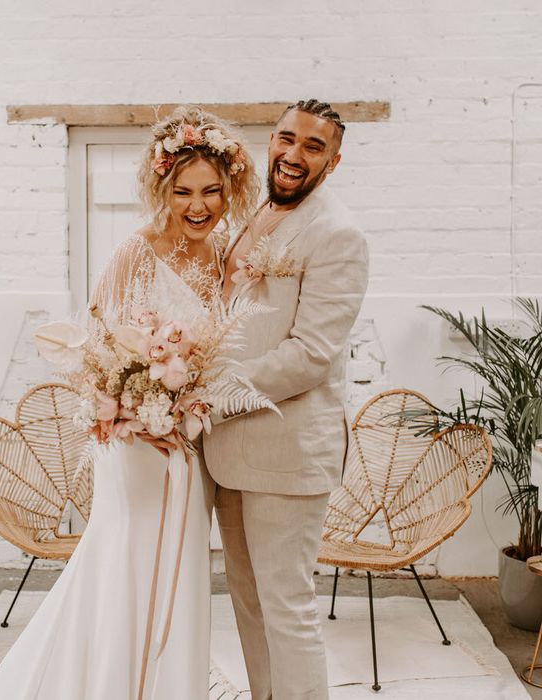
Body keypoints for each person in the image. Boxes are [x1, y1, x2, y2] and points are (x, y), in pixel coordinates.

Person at [0, 105, 259, 700]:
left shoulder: (226, 255)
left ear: (229, 188)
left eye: (211, 190)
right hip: (134, 445)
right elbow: (93, 349)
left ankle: (164, 684)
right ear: (163, 187)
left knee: (179, 573)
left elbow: (223, 353)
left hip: (188, 445)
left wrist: (186, 409)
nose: (198, 205)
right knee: (120, 564)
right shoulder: (137, 250)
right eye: (184, 191)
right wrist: (132, 415)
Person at [204, 99, 369, 700]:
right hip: (229, 453)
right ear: (270, 141)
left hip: (288, 455)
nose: (293, 154)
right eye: (286, 139)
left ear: (334, 160)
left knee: (289, 610)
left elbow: (310, 354)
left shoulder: (338, 233)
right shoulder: (250, 213)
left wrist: (212, 396)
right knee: (247, 602)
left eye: (312, 146)